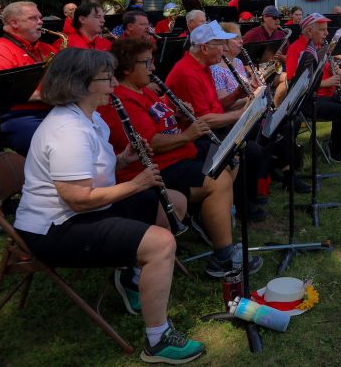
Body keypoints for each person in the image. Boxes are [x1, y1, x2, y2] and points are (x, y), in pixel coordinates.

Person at [12, 49, 205, 363]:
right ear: (81, 84)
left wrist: (123, 159)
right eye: (107, 78)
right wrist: (137, 183)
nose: (115, 84)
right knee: (161, 243)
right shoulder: (68, 131)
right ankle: (157, 340)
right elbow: (77, 198)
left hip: (85, 209)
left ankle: (132, 277)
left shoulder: (90, 116)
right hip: (55, 227)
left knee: (176, 201)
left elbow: (92, 172)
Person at [99, 38, 262, 278]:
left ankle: (213, 220)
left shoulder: (143, 90)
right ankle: (223, 258)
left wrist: (179, 116)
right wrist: (187, 135)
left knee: (229, 157)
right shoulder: (123, 99)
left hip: (179, 154)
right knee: (217, 181)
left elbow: (162, 123)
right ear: (127, 68)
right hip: (156, 167)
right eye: (147, 63)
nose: (153, 68)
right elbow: (150, 143)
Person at [166, 21, 268, 219]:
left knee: (258, 141)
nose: (223, 49)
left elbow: (214, 106)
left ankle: (246, 198)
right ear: (204, 48)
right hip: (198, 137)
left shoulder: (203, 66)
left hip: (211, 130)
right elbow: (203, 120)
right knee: (250, 151)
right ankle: (238, 205)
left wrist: (236, 95)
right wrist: (243, 114)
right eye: (220, 44)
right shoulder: (187, 72)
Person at [0, 1, 58, 154]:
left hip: (51, 110)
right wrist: (46, 95)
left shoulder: (47, 49)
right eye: (33, 18)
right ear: (14, 23)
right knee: (53, 146)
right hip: (12, 116)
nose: (40, 22)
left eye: (40, 17)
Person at [287, 13, 341, 160]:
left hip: (327, 96)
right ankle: (336, 150)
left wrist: (332, 69)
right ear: (309, 31)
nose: (327, 33)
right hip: (309, 100)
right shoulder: (296, 49)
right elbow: (293, 82)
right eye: (322, 30)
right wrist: (324, 83)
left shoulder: (321, 47)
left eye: (326, 29)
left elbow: (323, 71)